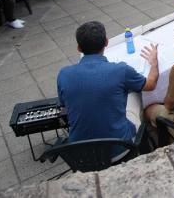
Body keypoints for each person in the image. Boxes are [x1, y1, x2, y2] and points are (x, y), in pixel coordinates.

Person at [57, 22, 159, 157]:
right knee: (135, 92)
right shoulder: (121, 70)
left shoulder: (64, 74)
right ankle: (144, 145)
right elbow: (150, 84)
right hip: (119, 148)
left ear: (79, 48)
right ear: (106, 42)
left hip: (81, 153)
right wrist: (154, 63)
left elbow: (64, 104)